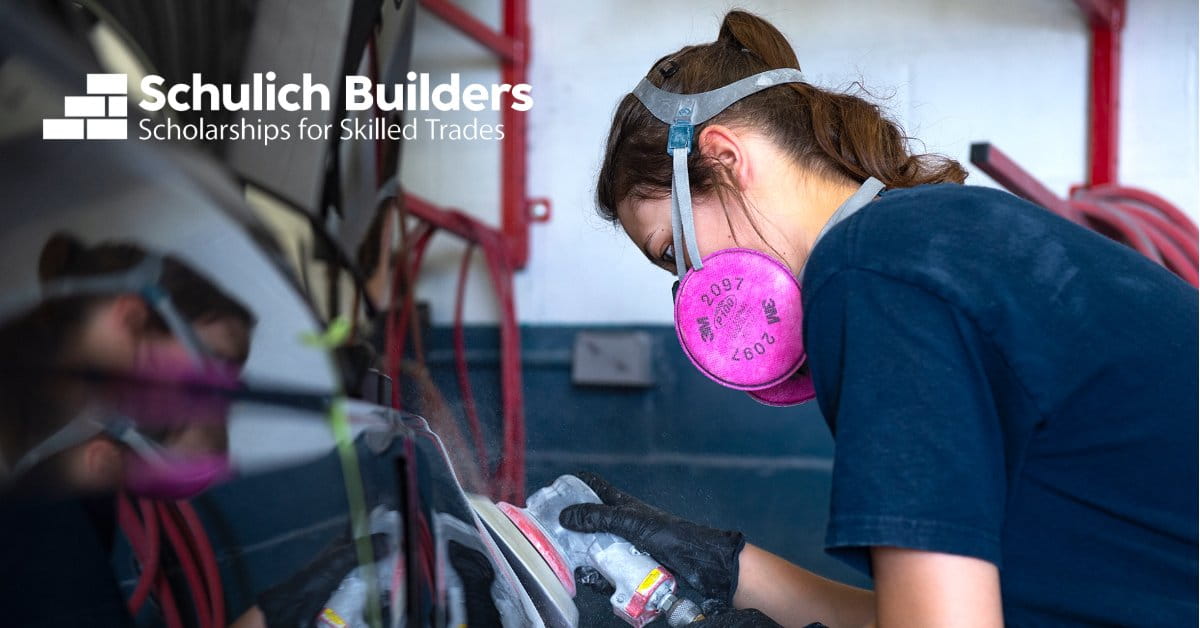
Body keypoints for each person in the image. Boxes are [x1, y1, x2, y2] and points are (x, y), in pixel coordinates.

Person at [563, 10, 1198, 627]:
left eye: (673, 251)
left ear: (725, 157)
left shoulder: (871, 272)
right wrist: (730, 572)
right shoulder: (943, 236)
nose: (690, 287)